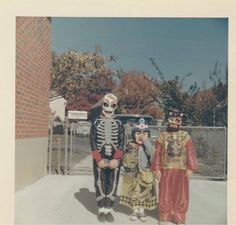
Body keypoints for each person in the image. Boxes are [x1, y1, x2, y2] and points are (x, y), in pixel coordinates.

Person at [151, 108, 198, 225]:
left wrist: (191, 168)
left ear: (180, 121)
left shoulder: (185, 136)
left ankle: (179, 215)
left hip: (181, 170)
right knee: (165, 192)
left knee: (181, 194)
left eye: (177, 120)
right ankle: (164, 214)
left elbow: (190, 152)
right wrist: (156, 168)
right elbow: (157, 153)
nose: (174, 122)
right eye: (171, 119)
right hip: (165, 169)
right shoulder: (163, 135)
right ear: (167, 120)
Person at [90, 93, 125, 223]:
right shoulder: (95, 122)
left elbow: (122, 142)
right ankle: (101, 210)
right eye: (106, 104)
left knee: (113, 182)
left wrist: (116, 159)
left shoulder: (119, 123)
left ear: (116, 106)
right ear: (102, 105)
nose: (109, 107)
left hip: (115, 159)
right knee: (99, 182)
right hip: (100, 157)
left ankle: (108, 210)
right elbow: (92, 142)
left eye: (112, 105)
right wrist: (98, 159)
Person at [119, 118, 156, 222]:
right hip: (132, 173)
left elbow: (152, 154)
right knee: (134, 193)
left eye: (144, 133)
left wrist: (146, 141)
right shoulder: (130, 145)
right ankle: (134, 211)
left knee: (144, 193)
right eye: (138, 133)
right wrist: (123, 167)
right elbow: (124, 157)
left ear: (148, 135)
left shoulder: (148, 145)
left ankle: (142, 211)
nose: (141, 135)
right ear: (133, 134)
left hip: (145, 172)